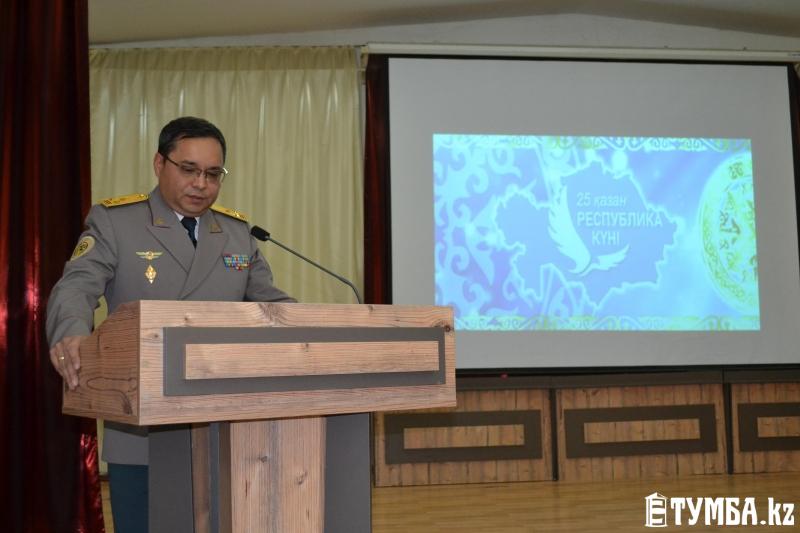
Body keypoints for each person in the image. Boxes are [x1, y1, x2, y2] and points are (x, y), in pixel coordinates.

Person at [46, 116, 294, 532]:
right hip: (143, 427)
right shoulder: (117, 222)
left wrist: (317, 330)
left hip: (225, 429)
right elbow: (76, 286)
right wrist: (71, 331)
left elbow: (270, 303)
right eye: (189, 169)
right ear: (160, 163)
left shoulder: (236, 232)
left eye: (213, 174)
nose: (201, 184)